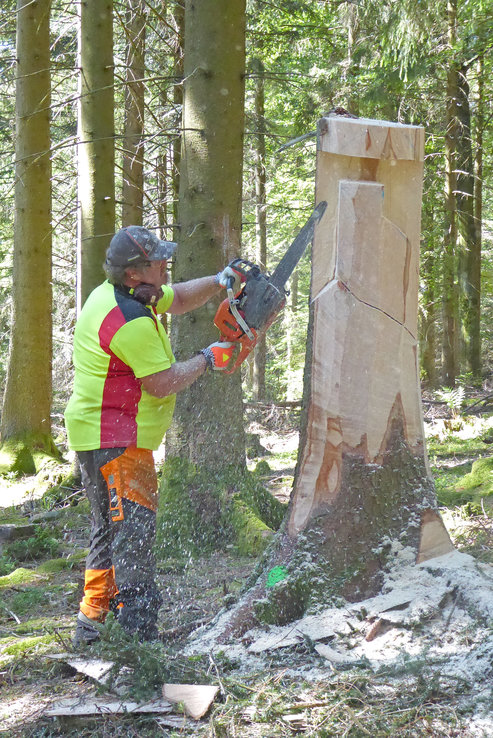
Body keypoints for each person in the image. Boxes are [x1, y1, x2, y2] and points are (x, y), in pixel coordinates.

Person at [65, 225, 237, 645]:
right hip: (117, 439)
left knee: (108, 529)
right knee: (134, 533)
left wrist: (219, 282)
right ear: (133, 274)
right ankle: (138, 635)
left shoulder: (125, 295)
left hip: (99, 433)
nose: (165, 264)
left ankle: (92, 623)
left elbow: (177, 297)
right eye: (157, 260)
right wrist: (208, 358)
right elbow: (161, 382)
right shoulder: (128, 320)